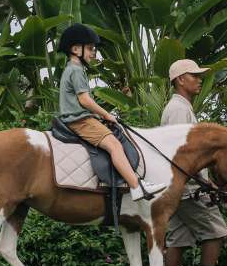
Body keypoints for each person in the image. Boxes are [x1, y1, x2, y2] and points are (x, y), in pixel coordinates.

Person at [57, 24, 168, 201]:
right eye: (90, 49)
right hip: (80, 121)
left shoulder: (71, 68)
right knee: (114, 145)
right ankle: (136, 187)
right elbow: (85, 100)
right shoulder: (76, 70)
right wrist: (107, 115)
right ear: (76, 49)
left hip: (78, 119)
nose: (93, 53)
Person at [161, 59, 227, 266]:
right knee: (217, 231)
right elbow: (182, 154)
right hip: (187, 188)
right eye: (194, 75)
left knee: (179, 238)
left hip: (176, 187)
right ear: (181, 80)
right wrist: (202, 182)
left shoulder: (179, 107)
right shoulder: (179, 110)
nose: (199, 79)